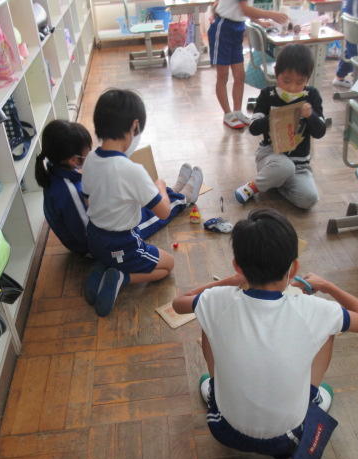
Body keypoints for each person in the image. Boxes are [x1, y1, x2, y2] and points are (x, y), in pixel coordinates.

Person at [172, 208, 358, 459]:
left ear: (237, 266)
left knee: (207, 319)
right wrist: (328, 286)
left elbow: (179, 304)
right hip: (287, 440)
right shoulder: (317, 310)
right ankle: (313, 397)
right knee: (327, 330)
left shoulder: (215, 300)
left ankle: (215, 387)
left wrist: (231, 281)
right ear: (294, 268)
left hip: (223, 429)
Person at [83, 89, 204, 317]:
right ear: (135, 126)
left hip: (94, 238)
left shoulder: (90, 159)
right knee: (168, 266)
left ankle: (103, 266)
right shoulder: (132, 170)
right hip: (122, 243)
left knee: (113, 249)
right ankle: (123, 277)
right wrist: (160, 186)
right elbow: (163, 212)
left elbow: (88, 198)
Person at [35, 119, 189, 257]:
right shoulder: (68, 192)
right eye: (87, 153)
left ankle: (171, 192)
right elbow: (86, 233)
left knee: (134, 198)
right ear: (74, 160)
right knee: (147, 211)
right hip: (100, 244)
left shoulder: (57, 171)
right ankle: (183, 198)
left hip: (97, 228)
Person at [235, 44, 326, 209]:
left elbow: (320, 132)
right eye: (286, 80)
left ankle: (275, 183)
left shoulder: (312, 95)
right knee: (284, 167)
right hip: (271, 158)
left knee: (309, 199)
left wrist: (310, 115)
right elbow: (253, 128)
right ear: (276, 73)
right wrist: (273, 118)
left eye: (300, 82)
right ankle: (253, 187)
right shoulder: (267, 95)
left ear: (307, 79)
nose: (292, 87)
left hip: (300, 165)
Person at [208, 0, 288, 129]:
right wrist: (272, 15)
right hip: (223, 28)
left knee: (240, 76)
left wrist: (259, 21)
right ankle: (228, 114)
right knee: (223, 76)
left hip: (237, 28)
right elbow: (245, 9)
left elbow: (243, 10)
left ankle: (237, 112)